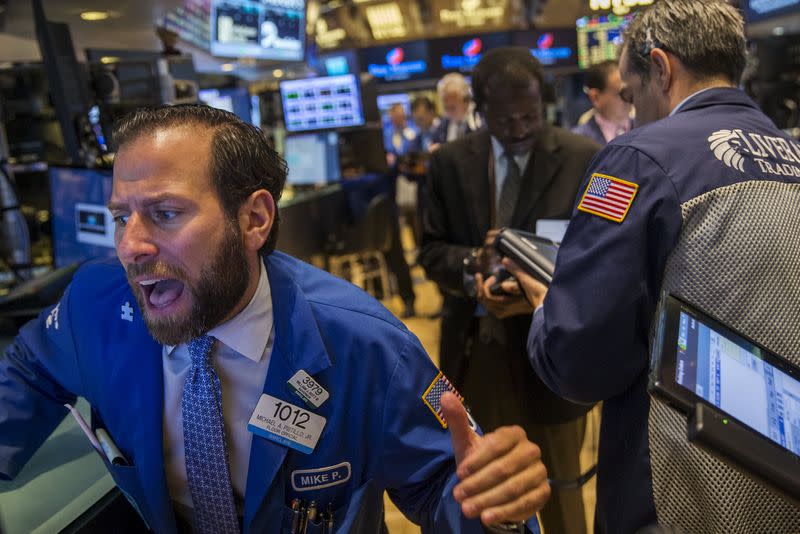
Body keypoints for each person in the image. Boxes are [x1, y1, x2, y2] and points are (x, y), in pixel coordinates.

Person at [0, 105, 551, 533]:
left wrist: (494, 508)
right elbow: (31, 365)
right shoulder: (97, 304)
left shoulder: (364, 344)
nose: (131, 246)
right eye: (122, 216)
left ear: (254, 219)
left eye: (165, 214)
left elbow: (443, 487)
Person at [502, 1, 800, 532]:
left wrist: (547, 308)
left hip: (685, 494)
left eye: (631, 92)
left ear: (660, 68)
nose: (632, 111)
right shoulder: (793, 154)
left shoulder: (637, 159)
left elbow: (580, 359)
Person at [419, 47, 600, 534]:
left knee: (561, 492)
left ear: (543, 102)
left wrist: (539, 293)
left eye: (529, 116)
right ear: (480, 110)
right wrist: (472, 267)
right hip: (478, 353)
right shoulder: (450, 164)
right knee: (488, 497)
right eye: (505, 119)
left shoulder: (585, 158)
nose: (519, 129)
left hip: (555, 356)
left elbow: (600, 260)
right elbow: (431, 251)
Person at [571, 60, 633, 145]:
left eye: (630, 91)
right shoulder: (578, 141)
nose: (629, 98)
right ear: (595, 97)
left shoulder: (646, 130)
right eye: (622, 93)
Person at [432, 73, 483, 146]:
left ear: (465, 101)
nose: (448, 112)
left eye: (452, 107)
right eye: (446, 108)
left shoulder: (479, 120)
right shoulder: (442, 125)